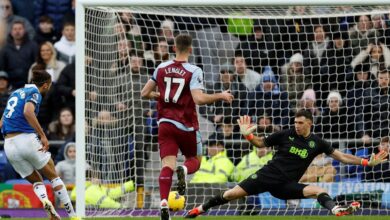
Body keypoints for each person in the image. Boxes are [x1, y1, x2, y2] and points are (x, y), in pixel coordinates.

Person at [185, 110, 388, 218]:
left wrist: (365, 162)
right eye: (295, 122)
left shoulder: (317, 143)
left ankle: (335, 210)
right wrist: (248, 135)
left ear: (310, 123)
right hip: (266, 177)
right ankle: (198, 210)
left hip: (285, 186)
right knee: (229, 195)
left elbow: (341, 156)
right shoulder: (285, 134)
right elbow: (259, 143)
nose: (296, 126)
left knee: (317, 190)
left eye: (300, 123)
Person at [141, 34, 234, 220]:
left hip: (165, 124)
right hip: (186, 125)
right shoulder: (194, 70)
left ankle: (164, 202)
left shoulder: (161, 67)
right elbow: (199, 99)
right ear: (190, 49)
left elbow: (144, 93)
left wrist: (163, 97)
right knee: (195, 160)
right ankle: (184, 170)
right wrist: (221, 95)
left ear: (173, 48)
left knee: (167, 165)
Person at [0, 70, 79, 220]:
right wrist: (42, 135)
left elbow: (2, 121)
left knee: (37, 181)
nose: (48, 89)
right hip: (26, 139)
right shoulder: (34, 92)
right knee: (54, 176)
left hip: (9, 144)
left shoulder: (15, 93)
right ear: (44, 85)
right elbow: (28, 112)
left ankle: (45, 201)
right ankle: (73, 216)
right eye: (48, 86)